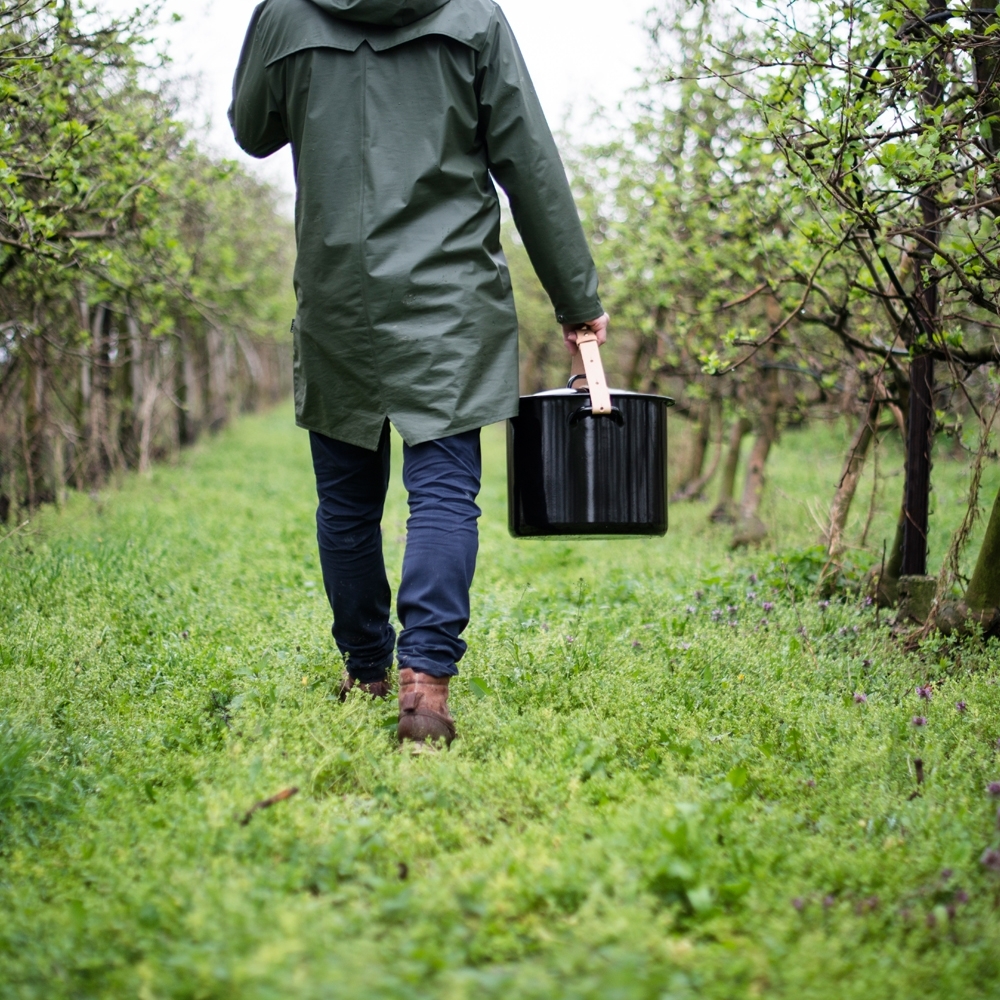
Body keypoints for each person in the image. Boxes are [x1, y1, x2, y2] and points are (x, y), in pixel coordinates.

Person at [230, 0, 608, 746]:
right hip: (448, 298)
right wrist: (577, 299)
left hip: (339, 295)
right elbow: (526, 162)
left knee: (346, 500)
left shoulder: (283, 14)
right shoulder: (473, 17)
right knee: (442, 492)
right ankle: (425, 684)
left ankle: (366, 669)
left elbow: (253, 130)